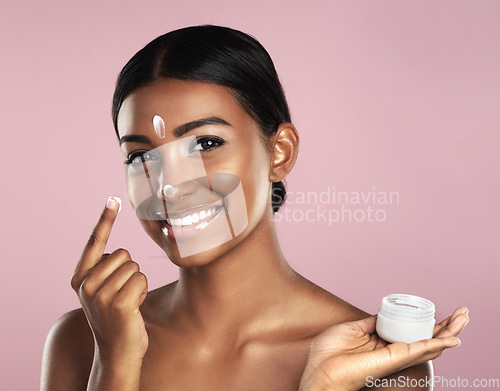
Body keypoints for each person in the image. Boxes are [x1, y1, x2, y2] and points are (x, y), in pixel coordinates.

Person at [41, 25, 469, 391]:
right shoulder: (81, 340)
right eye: (141, 158)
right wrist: (114, 365)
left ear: (280, 152)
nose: (170, 188)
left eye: (206, 144)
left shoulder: (383, 367)